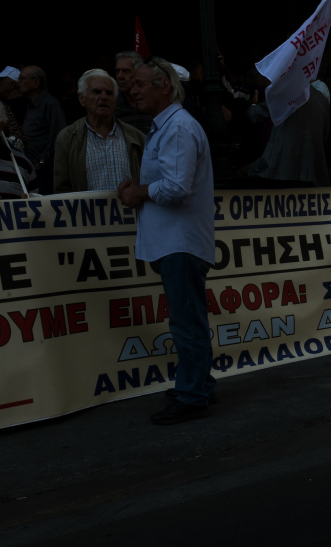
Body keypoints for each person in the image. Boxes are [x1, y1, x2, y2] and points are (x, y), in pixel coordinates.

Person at [117, 58, 217, 425]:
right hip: (176, 241)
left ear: (164, 86)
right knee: (190, 318)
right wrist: (139, 187)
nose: (133, 89)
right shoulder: (168, 127)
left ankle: (192, 395)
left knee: (186, 321)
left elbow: (176, 186)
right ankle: (200, 384)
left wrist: (140, 192)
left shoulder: (177, 128)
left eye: (141, 83)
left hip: (181, 242)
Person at [53, 69, 146, 193]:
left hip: (130, 212)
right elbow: (62, 190)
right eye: (96, 92)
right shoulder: (68, 138)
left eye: (109, 93)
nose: (103, 97)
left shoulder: (136, 137)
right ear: (82, 99)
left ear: (115, 100)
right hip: (86, 212)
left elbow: (147, 181)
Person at [247, 80, 330, 187]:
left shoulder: (285, 92)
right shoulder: (322, 99)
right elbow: (325, 139)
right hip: (311, 174)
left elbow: (254, 115)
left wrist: (253, 104)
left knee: (243, 175)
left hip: (279, 169)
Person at [19, 65, 67, 194]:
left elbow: (59, 135)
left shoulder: (50, 104)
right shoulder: (31, 104)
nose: (19, 82)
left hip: (44, 171)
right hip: (32, 169)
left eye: (22, 78)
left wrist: (42, 161)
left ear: (36, 82)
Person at [113, 51, 153, 132]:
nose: (120, 76)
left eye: (125, 71)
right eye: (117, 71)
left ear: (139, 72)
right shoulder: (111, 104)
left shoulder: (152, 102)